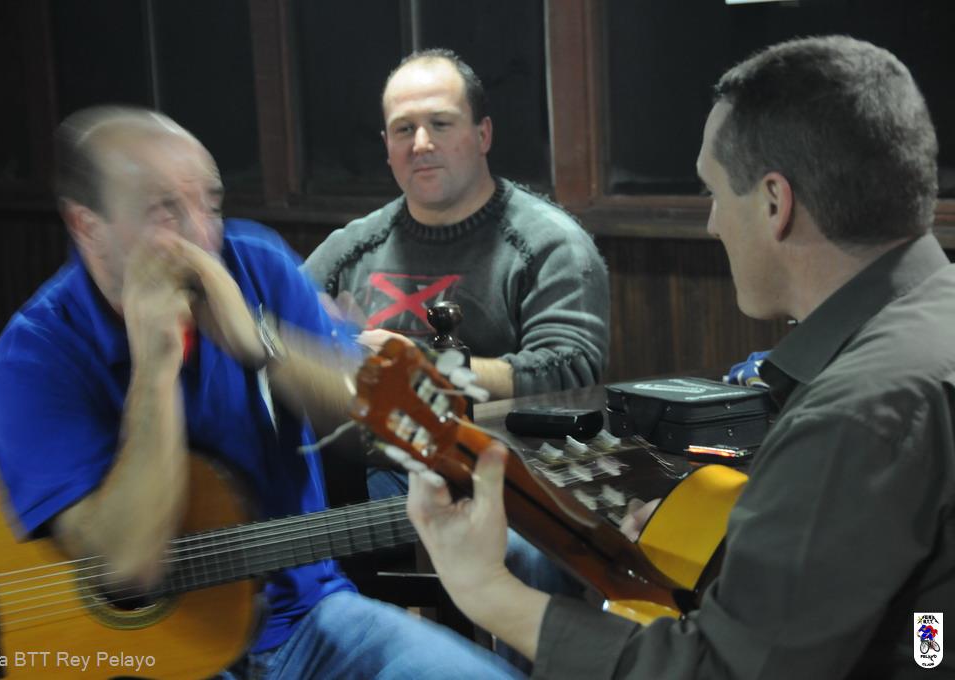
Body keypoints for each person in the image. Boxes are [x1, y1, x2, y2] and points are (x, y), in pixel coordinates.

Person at [406, 35, 955, 678]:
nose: (713, 223)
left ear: (774, 204)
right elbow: (915, 617)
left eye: (714, 193)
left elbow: (719, 671)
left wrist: (486, 590)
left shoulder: (856, 413)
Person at [0, 106, 522, 679]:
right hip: (146, 659)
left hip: (308, 619)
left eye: (210, 206)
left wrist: (261, 342)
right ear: (88, 225)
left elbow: (382, 425)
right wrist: (157, 364)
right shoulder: (33, 357)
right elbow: (127, 563)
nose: (202, 237)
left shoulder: (255, 263)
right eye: (166, 211)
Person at [304, 48, 609, 403]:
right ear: (387, 146)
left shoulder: (551, 246)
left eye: (440, 124)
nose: (421, 144)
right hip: (365, 436)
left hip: (497, 439)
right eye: (404, 129)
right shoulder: (349, 248)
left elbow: (569, 375)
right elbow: (272, 331)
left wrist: (425, 368)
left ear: (483, 135)